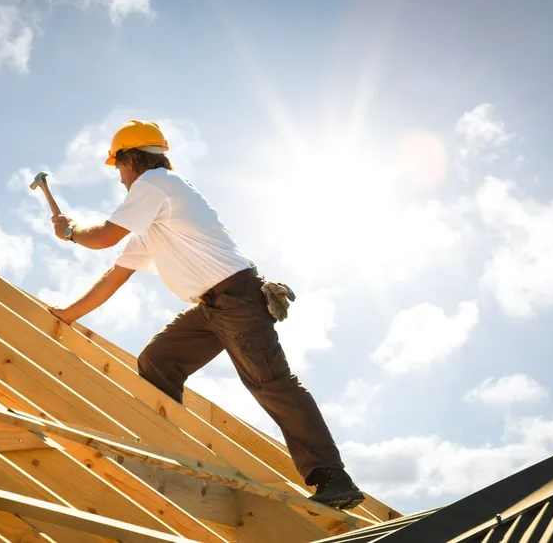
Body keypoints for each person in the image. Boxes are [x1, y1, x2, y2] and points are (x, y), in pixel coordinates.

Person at [48, 119, 364, 510]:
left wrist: (70, 230)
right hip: (212, 307)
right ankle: (169, 450)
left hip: (237, 299)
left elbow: (101, 238)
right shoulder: (152, 216)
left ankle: (333, 479)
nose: (120, 178)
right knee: (158, 360)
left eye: (119, 168)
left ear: (132, 160)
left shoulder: (154, 185)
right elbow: (114, 277)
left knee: (271, 384)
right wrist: (67, 315)